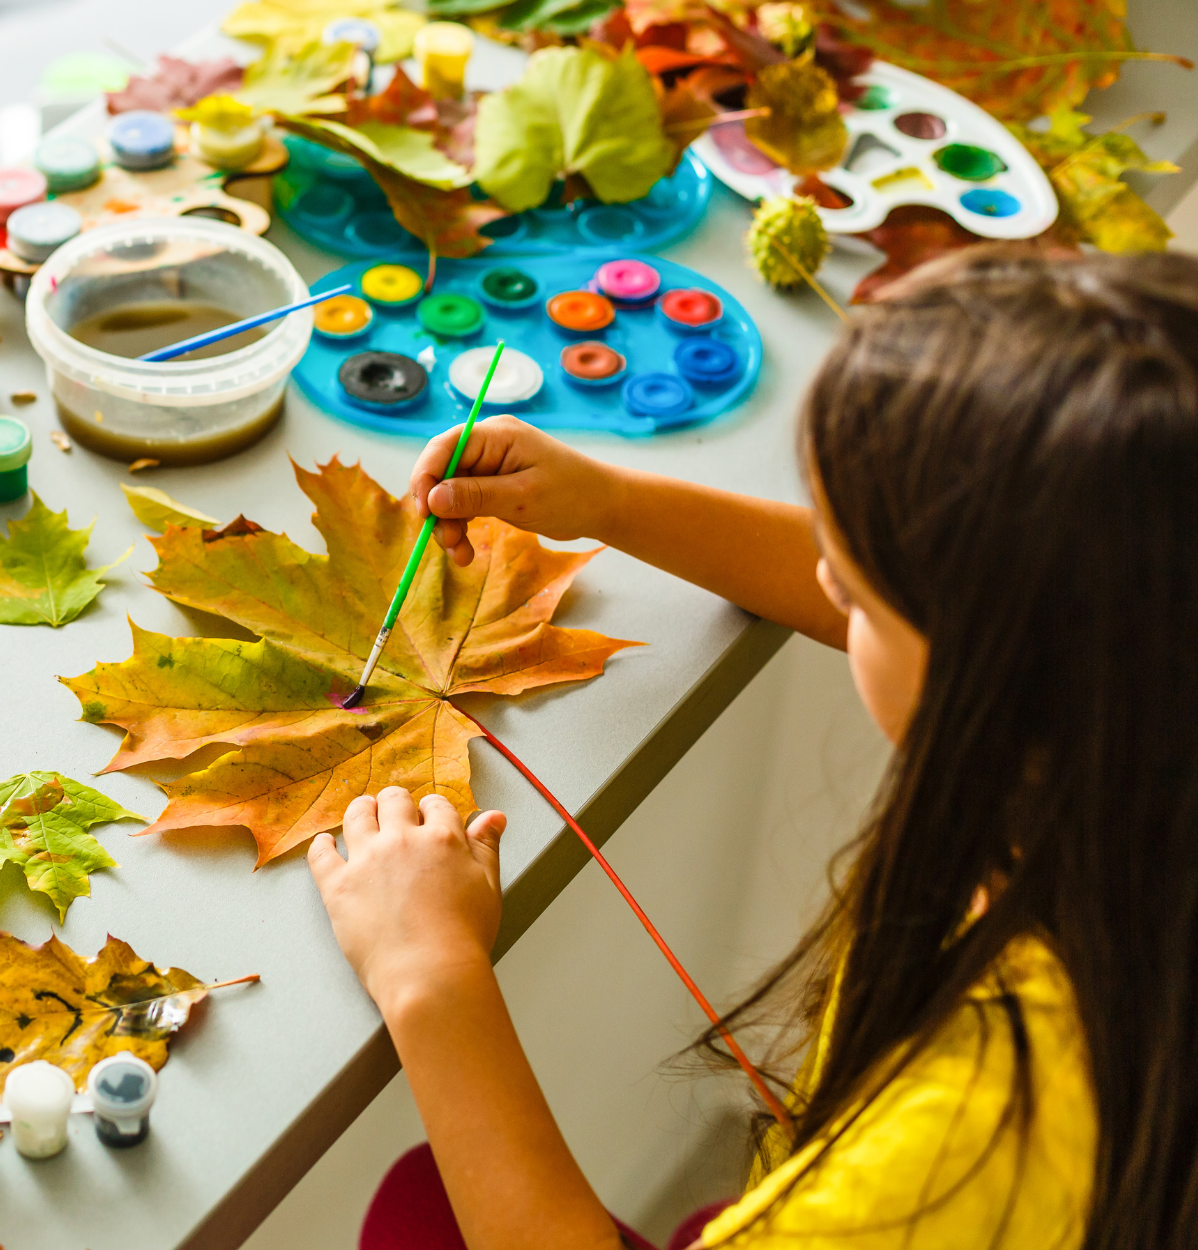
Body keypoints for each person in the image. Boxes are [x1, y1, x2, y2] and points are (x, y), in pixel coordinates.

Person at [308, 247, 1198, 1250]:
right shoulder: (1138, 724)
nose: (822, 579)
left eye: (852, 587)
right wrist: (611, 503)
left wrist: (428, 973)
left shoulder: (973, 1125)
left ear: (1000, 671)